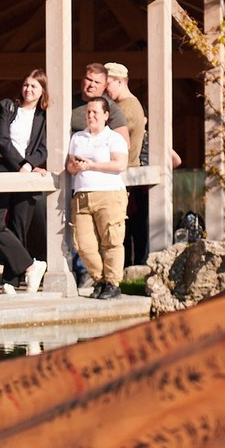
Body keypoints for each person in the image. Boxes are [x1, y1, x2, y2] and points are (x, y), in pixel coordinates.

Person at [0, 68, 50, 294]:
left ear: (42, 91)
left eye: (34, 86)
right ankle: (31, 265)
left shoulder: (45, 116)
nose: (28, 89)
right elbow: (2, 140)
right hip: (3, 168)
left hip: (26, 172)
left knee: (19, 225)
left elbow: (43, 148)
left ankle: (11, 279)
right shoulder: (8, 107)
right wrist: (21, 164)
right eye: (26, 84)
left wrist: (29, 164)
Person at [66, 91, 130, 296]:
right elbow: (69, 166)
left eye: (95, 112)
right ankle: (100, 279)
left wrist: (92, 165)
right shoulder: (77, 137)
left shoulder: (114, 138)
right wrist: (77, 166)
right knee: (83, 245)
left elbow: (120, 164)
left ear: (106, 115)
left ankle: (113, 283)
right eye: (88, 112)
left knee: (111, 241)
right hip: (82, 195)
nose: (91, 115)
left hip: (109, 194)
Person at [103, 59, 151, 265]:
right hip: (128, 178)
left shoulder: (126, 108)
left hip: (128, 177)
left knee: (130, 231)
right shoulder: (126, 106)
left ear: (120, 82)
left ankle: (132, 270)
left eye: (107, 84)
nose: (105, 90)